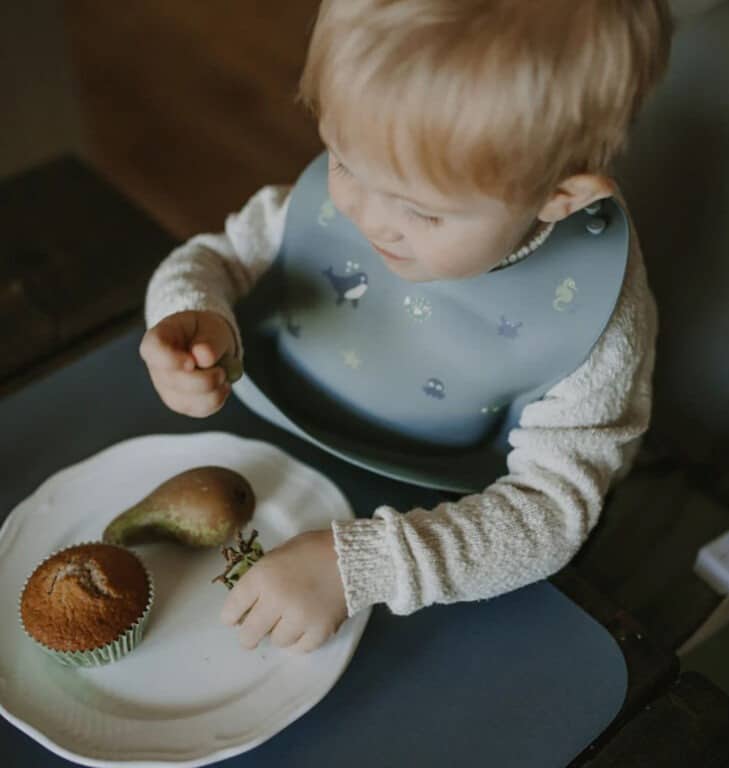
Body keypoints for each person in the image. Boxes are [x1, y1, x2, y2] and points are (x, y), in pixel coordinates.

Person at [139, 0, 673, 653]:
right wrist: (189, 313)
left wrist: (360, 566)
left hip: (445, 529)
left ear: (560, 196)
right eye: (342, 160)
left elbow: (551, 513)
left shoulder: (599, 322)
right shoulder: (372, 191)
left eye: (421, 211)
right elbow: (217, 258)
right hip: (267, 445)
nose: (366, 218)